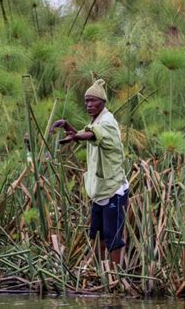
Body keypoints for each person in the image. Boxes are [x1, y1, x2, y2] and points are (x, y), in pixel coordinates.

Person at [50, 79, 129, 265]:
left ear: (103, 102)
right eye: (86, 101)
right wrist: (70, 128)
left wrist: (76, 135)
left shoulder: (108, 122)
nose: (89, 105)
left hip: (113, 191)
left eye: (93, 101)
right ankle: (101, 272)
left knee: (113, 237)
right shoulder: (96, 121)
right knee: (97, 234)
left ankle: (115, 275)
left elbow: (93, 134)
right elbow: (89, 133)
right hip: (100, 191)